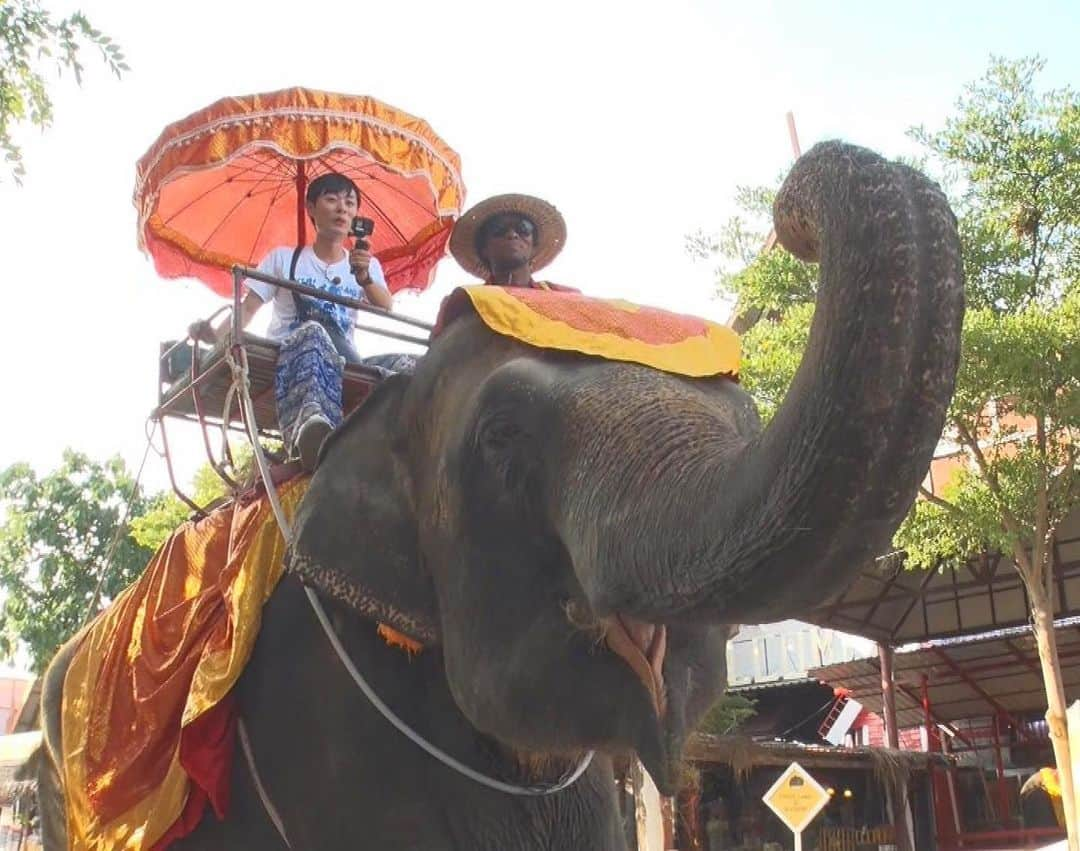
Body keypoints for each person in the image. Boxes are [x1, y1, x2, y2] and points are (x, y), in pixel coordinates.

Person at [190, 172, 393, 470]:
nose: (342, 209)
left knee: (406, 365)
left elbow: (386, 305)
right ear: (311, 208)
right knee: (313, 332)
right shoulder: (284, 259)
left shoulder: (365, 264)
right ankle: (311, 427)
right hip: (294, 350)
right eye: (332, 199)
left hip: (342, 357)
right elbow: (247, 309)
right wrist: (215, 337)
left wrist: (363, 278)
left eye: (350, 203)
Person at [448, 194, 568, 288]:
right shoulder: (467, 302)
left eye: (523, 228)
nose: (512, 235)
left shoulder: (564, 300)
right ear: (484, 249)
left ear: (534, 248)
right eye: (499, 229)